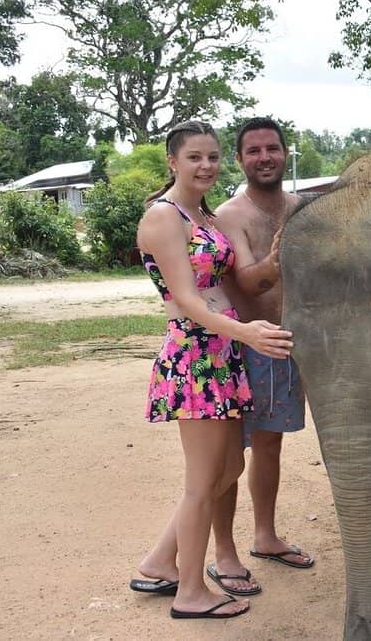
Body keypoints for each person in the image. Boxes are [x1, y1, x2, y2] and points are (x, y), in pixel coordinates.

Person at [128, 120, 294, 618]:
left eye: (213, 157)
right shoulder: (164, 217)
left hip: (220, 355)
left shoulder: (202, 214)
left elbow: (235, 279)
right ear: (173, 162)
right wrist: (245, 332)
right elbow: (185, 297)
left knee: (229, 467)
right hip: (195, 356)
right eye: (195, 157)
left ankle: (161, 561)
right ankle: (191, 592)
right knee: (202, 482)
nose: (206, 166)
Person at [203, 117, 314, 597]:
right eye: (254, 151)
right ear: (240, 159)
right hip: (244, 346)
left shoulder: (301, 207)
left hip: (287, 347)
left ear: (286, 153)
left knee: (271, 446)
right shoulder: (230, 215)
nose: (264, 157)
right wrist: (277, 258)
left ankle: (265, 537)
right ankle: (223, 554)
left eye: (272, 148)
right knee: (226, 456)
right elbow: (247, 282)